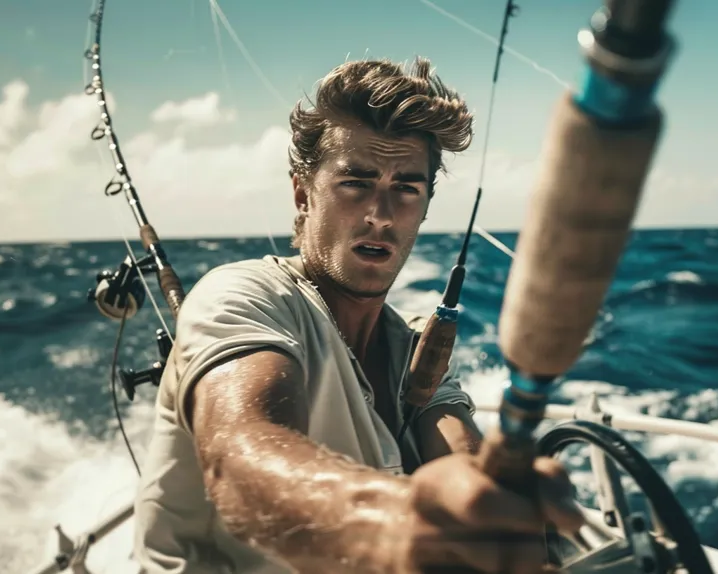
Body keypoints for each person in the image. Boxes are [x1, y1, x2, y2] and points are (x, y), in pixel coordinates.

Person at [131, 56, 584, 573]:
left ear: (425, 206)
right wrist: (402, 521)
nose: (381, 215)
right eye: (356, 183)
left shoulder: (415, 346)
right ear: (303, 193)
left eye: (406, 189)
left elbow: (457, 460)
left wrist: (491, 512)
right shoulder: (241, 296)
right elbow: (241, 459)